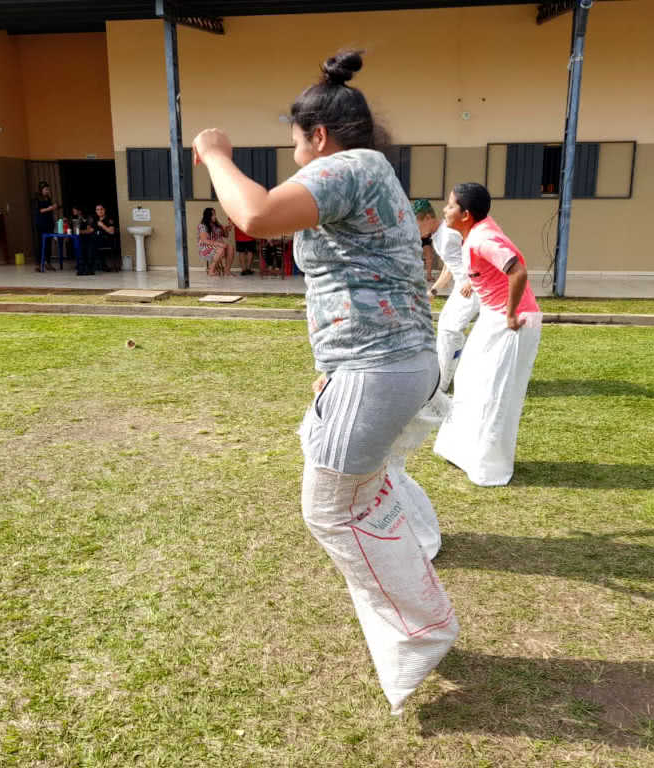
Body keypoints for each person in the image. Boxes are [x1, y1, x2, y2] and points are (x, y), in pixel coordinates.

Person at [192, 49, 457, 716]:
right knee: (360, 480)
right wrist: (333, 367)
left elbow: (251, 216)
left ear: (318, 135)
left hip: (382, 367)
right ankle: (417, 578)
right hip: (382, 363)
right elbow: (362, 272)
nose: (296, 163)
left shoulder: (348, 166)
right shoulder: (376, 173)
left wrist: (216, 153)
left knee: (332, 507)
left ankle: (424, 626)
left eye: (294, 147)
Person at [432, 182, 543, 487]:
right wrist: (472, 282)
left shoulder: (483, 238)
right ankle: (461, 451)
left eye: (451, 205)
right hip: (492, 317)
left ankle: (489, 467)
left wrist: (510, 313)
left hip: (513, 323)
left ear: (466, 214)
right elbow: (485, 272)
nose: (445, 210)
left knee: (496, 392)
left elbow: (517, 272)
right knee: (469, 381)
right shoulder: (473, 235)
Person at [414, 199, 480, 391]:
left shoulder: (449, 233)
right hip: (464, 286)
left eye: (416, 224)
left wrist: (472, 279)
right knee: (449, 328)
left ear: (427, 218)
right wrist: (434, 290)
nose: (414, 231)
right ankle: (449, 376)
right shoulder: (438, 236)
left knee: (448, 330)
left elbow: (473, 251)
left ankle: (441, 383)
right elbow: (450, 267)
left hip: (471, 287)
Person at [197, 207, 234, 276]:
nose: (215, 216)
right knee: (221, 249)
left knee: (230, 247)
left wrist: (227, 228)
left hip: (218, 245)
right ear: (208, 216)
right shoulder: (202, 226)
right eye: (213, 215)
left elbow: (225, 235)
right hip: (206, 247)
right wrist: (219, 244)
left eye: (215, 214)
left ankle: (227, 270)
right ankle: (211, 270)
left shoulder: (216, 224)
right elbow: (204, 240)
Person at [34, 182, 58, 271]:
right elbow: (40, 210)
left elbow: (50, 210)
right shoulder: (37, 199)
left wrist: (53, 208)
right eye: (46, 189)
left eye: (48, 189)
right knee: (40, 243)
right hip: (41, 223)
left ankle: (48, 262)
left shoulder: (48, 198)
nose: (47, 191)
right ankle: (39, 264)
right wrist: (51, 208)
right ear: (41, 190)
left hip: (49, 223)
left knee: (48, 243)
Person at [91, 204, 119, 272]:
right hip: (97, 239)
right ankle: (95, 265)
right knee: (86, 242)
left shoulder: (109, 219)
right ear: (96, 211)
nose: (100, 211)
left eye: (101, 209)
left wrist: (102, 225)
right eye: (98, 209)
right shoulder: (95, 220)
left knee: (91, 244)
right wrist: (80, 231)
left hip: (106, 240)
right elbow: (91, 230)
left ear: (104, 210)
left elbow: (111, 232)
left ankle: (97, 265)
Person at [70, 205, 95, 276]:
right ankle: (81, 267)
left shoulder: (88, 218)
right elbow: (75, 229)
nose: (73, 212)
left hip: (89, 238)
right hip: (81, 238)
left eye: (75, 211)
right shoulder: (75, 219)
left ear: (80, 211)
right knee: (80, 248)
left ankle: (89, 268)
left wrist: (80, 232)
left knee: (87, 249)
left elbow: (89, 230)